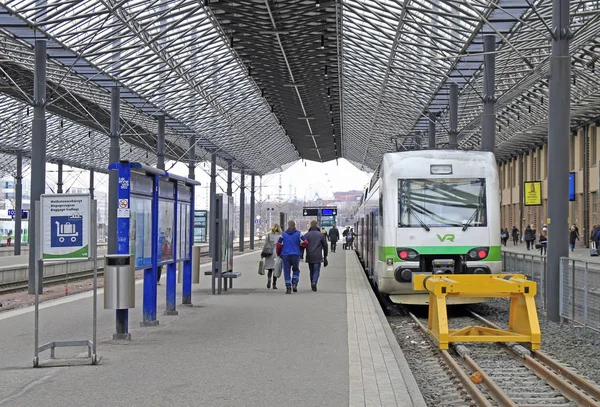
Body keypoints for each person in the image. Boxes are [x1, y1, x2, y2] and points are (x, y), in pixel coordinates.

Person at [276, 220, 308, 294]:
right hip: (296, 254)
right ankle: (294, 283)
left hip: (285, 255)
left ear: (288, 225)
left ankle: (288, 287)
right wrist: (300, 247)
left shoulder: (283, 235)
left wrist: (278, 253)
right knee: (296, 269)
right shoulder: (299, 234)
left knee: (286, 271)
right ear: (295, 225)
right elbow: (305, 242)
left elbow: (278, 245)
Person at [304, 220, 328, 292]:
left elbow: (302, 245)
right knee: (316, 270)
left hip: (309, 255)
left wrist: (301, 255)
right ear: (317, 225)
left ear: (310, 225)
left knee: (311, 271)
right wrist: (325, 256)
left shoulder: (306, 235)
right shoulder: (321, 235)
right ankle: (314, 282)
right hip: (318, 256)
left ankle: (312, 283)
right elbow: (325, 246)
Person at [263, 224, 282, 289]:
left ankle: (269, 279)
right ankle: (274, 284)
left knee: (270, 269)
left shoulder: (268, 235)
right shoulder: (280, 236)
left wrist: (263, 254)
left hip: (269, 253)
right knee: (275, 269)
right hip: (277, 253)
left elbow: (265, 244)